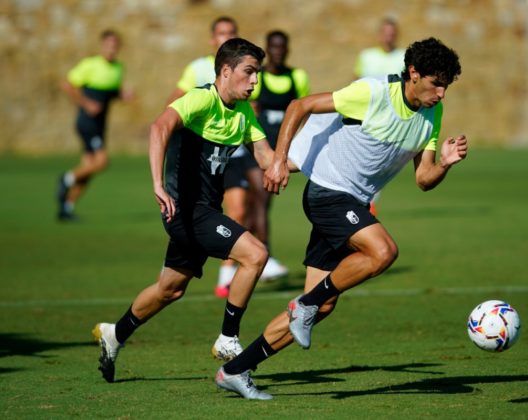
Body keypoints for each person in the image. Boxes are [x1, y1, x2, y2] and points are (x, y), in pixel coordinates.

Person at [214, 37, 468, 400]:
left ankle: (236, 370)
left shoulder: (432, 114)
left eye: (447, 85)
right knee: (383, 252)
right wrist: (280, 160)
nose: (441, 93)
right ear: (414, 73)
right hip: (327, 194)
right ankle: (303, 306)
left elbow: (423, 180)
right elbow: (300, 106)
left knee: (324, 303)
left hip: (353, 204)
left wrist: (443, 162)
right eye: (436, 83)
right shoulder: (373, 93)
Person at [92, 38, 276, 383]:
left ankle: (114, 334)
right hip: (185, 210)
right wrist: (158, 184)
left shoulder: (243, 113)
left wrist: (310, 161)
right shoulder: (201, 99)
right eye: (249, 72)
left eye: (258, 74)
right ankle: (228, 339)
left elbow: (268, 159)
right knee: (255, 254)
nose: (255, 81)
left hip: (204, 211)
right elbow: (159, 127)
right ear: (226, 71)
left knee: (170, 289)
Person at [162, 16, 247, 299]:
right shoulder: (198, 70)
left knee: (242, 210)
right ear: (213, 39)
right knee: (170, 290)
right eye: (221, 33)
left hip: (233, 149)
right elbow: (172, 108)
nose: (226, 37)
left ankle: (227, 273)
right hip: (201, 155)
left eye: (231, 33)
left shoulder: (245, 70)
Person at [245, 30, 311, 284]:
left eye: (282, 47)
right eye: (273, 46)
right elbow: (248, 107)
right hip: (257, 147)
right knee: (260, 198)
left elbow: (304, 113)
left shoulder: (297, 77)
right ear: (267, 48)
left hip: (282, 151)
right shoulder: (257, 78)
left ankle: (242, 254)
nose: (278, 51)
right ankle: (266, 256)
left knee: (258, 204)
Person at [57, 29, 132, 221]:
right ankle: (66, 179)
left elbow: (110, 93)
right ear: (102, 45)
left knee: (89, 167)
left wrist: (121, 95)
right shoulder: (90, 64)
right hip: (87, 122)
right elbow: (67, 84)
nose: (111, 48)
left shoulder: (117, 68)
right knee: (102, 162)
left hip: (100, 124)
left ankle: (66, 208)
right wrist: (86, 103)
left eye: (115, 45)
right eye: (108, 44)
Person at [354, 18, 406, 215]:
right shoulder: (366, 56)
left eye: (392, 33)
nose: (389, 36)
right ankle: (365, 202)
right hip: (369, 117)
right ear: (379, 34)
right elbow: (357, 81)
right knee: (364, 158)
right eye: (386, 32)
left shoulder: (403, 57)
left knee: (382, 162)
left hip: (393, 119)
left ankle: (368, 201)